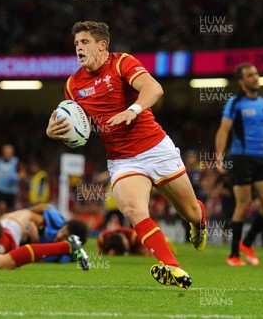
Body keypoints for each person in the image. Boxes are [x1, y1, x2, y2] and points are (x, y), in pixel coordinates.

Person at [46, 21, 206, 288]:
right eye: (76, 44)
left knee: (190, 211)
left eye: (84, 43)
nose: (79, 48)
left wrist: (132, 110)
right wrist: (54, 132)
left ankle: (198, 220)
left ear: (102, 45)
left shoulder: (122, 63)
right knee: (133, 209)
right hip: (123, 160)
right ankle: (173, 267)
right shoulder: (73, 85)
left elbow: (154, 88)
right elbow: (80, 131)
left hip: (155, 148)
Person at [215, 63, 263, 266]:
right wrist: (219, 156)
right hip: (241, 158)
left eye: (257, 73)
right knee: (244, 204)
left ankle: (247, 243)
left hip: (261, 159)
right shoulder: (235, 103)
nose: (255, 77)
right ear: (241, 82)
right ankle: (233, 255)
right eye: (250, 75)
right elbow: (224, 130)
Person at [0, 144, 21, 214]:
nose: (7, 154)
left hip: (11, 190)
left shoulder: (16, 161)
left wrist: (16, 177)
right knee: (2, 207)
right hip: (1, 189)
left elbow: (23, 173)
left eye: (9, 152)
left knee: (10, 210)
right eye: (5, 152)